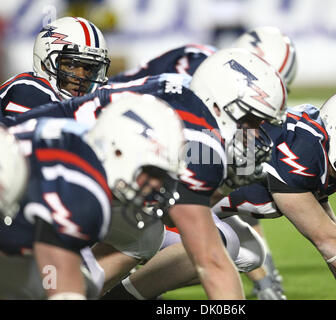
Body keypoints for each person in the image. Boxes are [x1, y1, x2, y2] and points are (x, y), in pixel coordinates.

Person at [6, 47, 287, 299]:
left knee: (143, 234)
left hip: (62, 166)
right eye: (250, 120)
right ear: (218, 105)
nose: (254, 135)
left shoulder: (187, 98)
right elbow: (210, 260)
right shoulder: (201, 135)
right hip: (32, 172)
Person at [102, 88, 336, 300]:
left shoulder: (317, 151)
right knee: (222, 244)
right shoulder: (305, 149)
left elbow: (335, 246)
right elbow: (328, 241)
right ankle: (117, 293)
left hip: (186, 201)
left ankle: (127, 290)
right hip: (160, 199)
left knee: (249, 251)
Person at [107, 26, 297, 300]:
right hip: (120, 159)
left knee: (239, 246)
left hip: (138, 158)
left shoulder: (208, 69)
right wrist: (264, 277)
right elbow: (195, 192)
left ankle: (121, 289)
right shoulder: (204, 99)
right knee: (150, 232)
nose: (258, 127)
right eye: (255, 115)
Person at [0, 94, 187, 299]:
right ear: (118, 152)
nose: (157, 185)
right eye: (152, 172)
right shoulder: (79, 184)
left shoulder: (87, 166)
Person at [0, 16, 110, 123]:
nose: (82, 76)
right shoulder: (27, 90)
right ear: (44, 65)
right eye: (71, 66)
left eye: (89, 68)